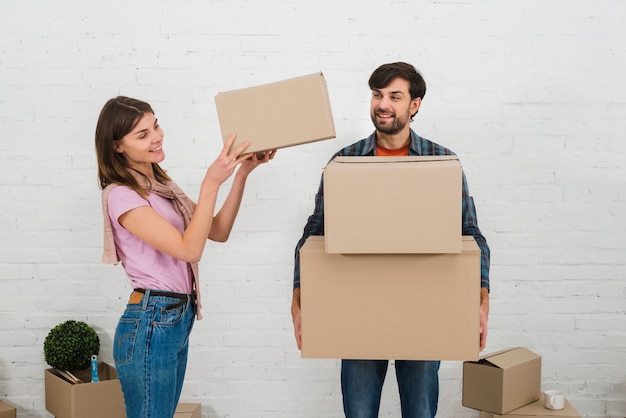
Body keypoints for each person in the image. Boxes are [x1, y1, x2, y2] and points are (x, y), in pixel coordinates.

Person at [291, 62, 490, 418]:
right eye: (377, 95)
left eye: (394, 96)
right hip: (359, 313)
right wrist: (299, 295)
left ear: (414, 105)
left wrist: (481, 297)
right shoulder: (345, 161)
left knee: (419, 412)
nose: (383, 104)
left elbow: (471, 235)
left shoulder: (441, 162)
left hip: (425, 311)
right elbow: (314, 232)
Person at [95, 96, 275, 418]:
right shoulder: (122, 196)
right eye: (142, 134)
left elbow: (217, 230)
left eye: (156, 125)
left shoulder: (161, 186)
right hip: (153, 321)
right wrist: (210, 181)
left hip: (174, 319)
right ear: (117, 146)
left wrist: (242, 173)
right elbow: (189, 249)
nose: (157, 137)